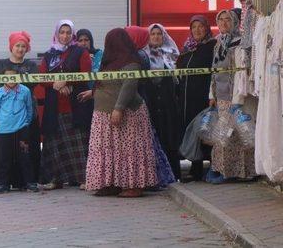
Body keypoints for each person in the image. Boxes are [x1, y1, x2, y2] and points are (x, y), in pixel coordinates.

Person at [85, 28, 158, 197]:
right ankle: (111, 183)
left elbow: (128, 86)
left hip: (127, 113)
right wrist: (93, 93)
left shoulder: (132, 61)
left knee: (129, 150)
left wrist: (118, 108)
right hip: (103, 115)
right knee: (108, 150)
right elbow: (107, 84)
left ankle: (134, 185)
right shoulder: (109, 62)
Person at [39, 20, 92, 190]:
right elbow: (42, 77)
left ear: (73, 35)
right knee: (55, 142)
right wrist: (54, 84)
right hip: (54, 106)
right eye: (62, 32)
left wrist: (67, 82)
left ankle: (84, 179)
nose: (65, 36)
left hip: (75, 105)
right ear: (57, 34)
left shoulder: (80, 52)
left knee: (79, 143)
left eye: (68, 32)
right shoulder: (49, 55)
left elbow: (85, 74)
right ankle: (56, 179)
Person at [207, 10, 256, 183]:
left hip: (236, 98)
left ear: (235, 22)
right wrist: (211, 94)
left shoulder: (239, 44)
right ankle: (224, 170)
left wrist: (237, 100)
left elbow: (240, 75)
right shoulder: (219, 43)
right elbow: (214, 71)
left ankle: (243, 172)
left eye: (228, 19)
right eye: (220, 20)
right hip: (221, 99)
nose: (224, 23)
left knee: (240, 134)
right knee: (223, 136)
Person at [0, 31, 41, 189]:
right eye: (17, 45)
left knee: (26, 151)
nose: (20, 49)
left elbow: (32, 86)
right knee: (4, 153)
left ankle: (27, 182)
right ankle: (3, 183)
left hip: (25, 116)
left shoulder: (32, 66)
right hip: (5, 118)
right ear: (11, 47)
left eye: (23, 46)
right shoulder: (0, 64)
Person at [176, 15, 216, 181]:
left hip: (203, 97)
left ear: (207, 28)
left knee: (204, 130)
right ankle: (195, 166)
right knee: (191, 130)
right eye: (194, 27)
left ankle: (210, 166)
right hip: (186, 97)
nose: (197, 30)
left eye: (201, 27)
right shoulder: (188, 48)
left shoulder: (212, 46)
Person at [142, 24, 182, 180]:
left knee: (170, 137)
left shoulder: (171, 54)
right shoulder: (144, 55)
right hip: (151, 102)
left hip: (168, 103)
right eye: (153, 34)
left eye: (159, 34)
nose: (156, 37)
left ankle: (174, 174)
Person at [0, 69, 38, 194]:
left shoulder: (25, 91)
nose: (11, 80)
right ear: (3, 78)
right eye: (8, 77)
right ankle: (3, 184)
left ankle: (28, 182)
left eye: (14, 77)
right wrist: (1, 123)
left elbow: (29, 108)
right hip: (4, 130)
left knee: (24, 156)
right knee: (4, 158)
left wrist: (25, 123)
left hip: (22, 129)